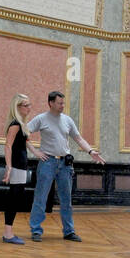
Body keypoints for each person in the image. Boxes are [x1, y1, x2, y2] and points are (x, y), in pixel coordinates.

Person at [27, 90, 104, 242]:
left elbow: (78, 138)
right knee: (40, 198)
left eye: (63, 103)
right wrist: (35, 152)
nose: (63, 105)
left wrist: (91, 151)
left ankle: (69, 231)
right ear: (51, 103)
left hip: (65, 165)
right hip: (47, 162)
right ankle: (36, 230)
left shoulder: (67, 120)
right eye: (60, 103)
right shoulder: (41, 119)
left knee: (66, 200)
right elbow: (24, 133)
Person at [2, 93, 43, 246]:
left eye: (29, 104)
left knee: (16, 197)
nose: (29, 108)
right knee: (14, 198)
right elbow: (8, 146)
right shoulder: (15, 124)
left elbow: (26, 142)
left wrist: (37, 153)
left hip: (21, 166)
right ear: (17, 107)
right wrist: (9, 167)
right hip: (16, 166)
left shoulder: (22, 125)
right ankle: (8, 233)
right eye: (26, 105)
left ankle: (9, 232)